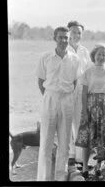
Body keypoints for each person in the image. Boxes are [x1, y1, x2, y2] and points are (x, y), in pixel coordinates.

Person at [36, 26, 80, 181]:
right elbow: (41, 81)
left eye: (66, 38)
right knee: (46, 142)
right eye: (60, 37)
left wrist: (64, 97)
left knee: (65, 143)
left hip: (67, 100)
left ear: (69, 39)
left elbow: (74, 82)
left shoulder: (75, 59)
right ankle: (44, 179)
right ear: (54, 38)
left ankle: (61, 178)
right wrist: (51, 96)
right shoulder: (45, 57)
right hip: (50, 99)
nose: (63, 40)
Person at [75, 43, 105, 179]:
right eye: (99, 54)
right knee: (87, 139)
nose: (101, 57)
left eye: (104, 55)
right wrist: (85, 112)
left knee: (103, 138)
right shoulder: (88, 71)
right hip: (91, 106)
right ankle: (86, 167)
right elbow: (84, 93)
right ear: (94, 55)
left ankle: (98, 167)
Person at [66, 21, 92, 166]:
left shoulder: (84, 51)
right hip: (67, 89)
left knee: (79, 122)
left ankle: (80, 157)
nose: (76, 35)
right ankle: (70, 154)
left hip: (81, 89)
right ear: (68, 32)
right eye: (73, 32)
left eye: (79, 33)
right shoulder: (64, 48)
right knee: (67, 122)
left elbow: (88, 72)